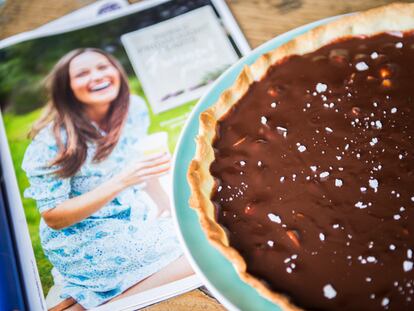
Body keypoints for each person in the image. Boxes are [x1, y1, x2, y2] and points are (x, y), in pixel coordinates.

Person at [22, 48, 192, 310]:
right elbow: (54, 217)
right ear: (67, 88)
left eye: (103, 67)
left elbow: (137, 161)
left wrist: (164, 203)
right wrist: (122, 181)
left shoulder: (133, 109)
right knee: (193, 256)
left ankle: (81, 297)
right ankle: (100, 304)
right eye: (82, 73)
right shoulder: (52, 142)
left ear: (117, 71)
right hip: (80, 240)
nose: (97, 76)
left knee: (192, 228)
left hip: (127, 216)